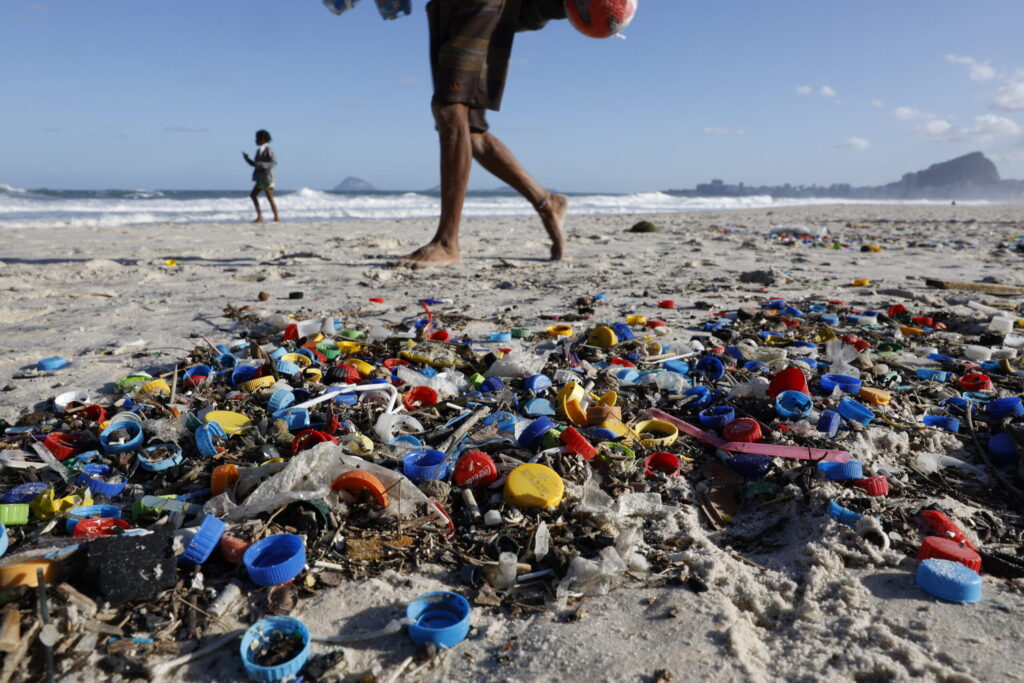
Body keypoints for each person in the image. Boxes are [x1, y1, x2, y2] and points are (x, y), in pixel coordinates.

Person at [399, 0, 569, 267]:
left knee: (450, 107)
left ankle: (446, 243)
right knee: (470, 131)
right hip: (444, 9)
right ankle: (546, 202)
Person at [243, 129, 280, 223]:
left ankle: (276, 218)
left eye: (257, 138)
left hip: (267, 178)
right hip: (260, 178)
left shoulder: (268, 149)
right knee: (253, 195)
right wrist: (247, 159)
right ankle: (260, 216)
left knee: (270, 198)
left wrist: (262, 164)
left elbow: (274, 162)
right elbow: (255, 164)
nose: (255, 140)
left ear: (262, 139)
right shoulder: (259, 150)